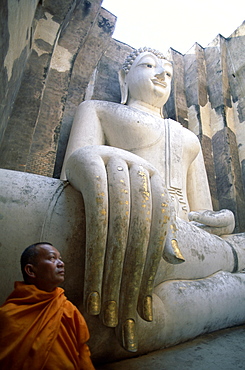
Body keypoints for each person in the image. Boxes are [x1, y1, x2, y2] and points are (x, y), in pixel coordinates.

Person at [60, 47, 245, 352]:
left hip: (191, 237)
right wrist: (100, 160)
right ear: (124, 76)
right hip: (132, 222)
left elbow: (202, 211)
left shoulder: (188, 137)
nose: (161, 75)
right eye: (149, 65)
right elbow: (71, 175)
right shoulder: (99, 110)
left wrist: (221, 219)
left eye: (169, 73)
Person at [0, 242, 95, 370]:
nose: (61, 263)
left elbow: (82, 350)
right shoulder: (8, 315)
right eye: (52, 258)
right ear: (31, 270)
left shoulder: (66, 307)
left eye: (60, 258)